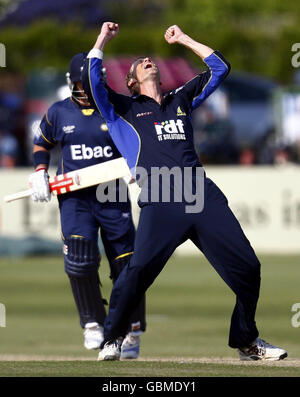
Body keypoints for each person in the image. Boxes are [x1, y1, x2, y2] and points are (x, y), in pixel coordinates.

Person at [82, 22, 288, 362]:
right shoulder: (124, 108)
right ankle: (113, 338)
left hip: (200, 193)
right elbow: (93, 82)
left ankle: (246, 341)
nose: (149, 59)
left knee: (248, 268)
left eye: (151, 59)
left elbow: (220, 68)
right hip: (161, 196)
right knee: (136, 273)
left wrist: (184, 40)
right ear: (131, 81)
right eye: (140, 62)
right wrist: (102, 39)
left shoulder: (181, 98)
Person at [28, 52, 146, 359]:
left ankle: (132, 327)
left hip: (111, 193)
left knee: (126, 263)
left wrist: (138, 166)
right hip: (75, 198)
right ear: (70, 83)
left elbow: (139, 142)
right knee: (79, 259)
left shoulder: (113, 109)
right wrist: (40, 172)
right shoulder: (58, 113)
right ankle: (93, 322)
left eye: (87, 83)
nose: (83, 90)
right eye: (78, 84)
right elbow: (42, 144)